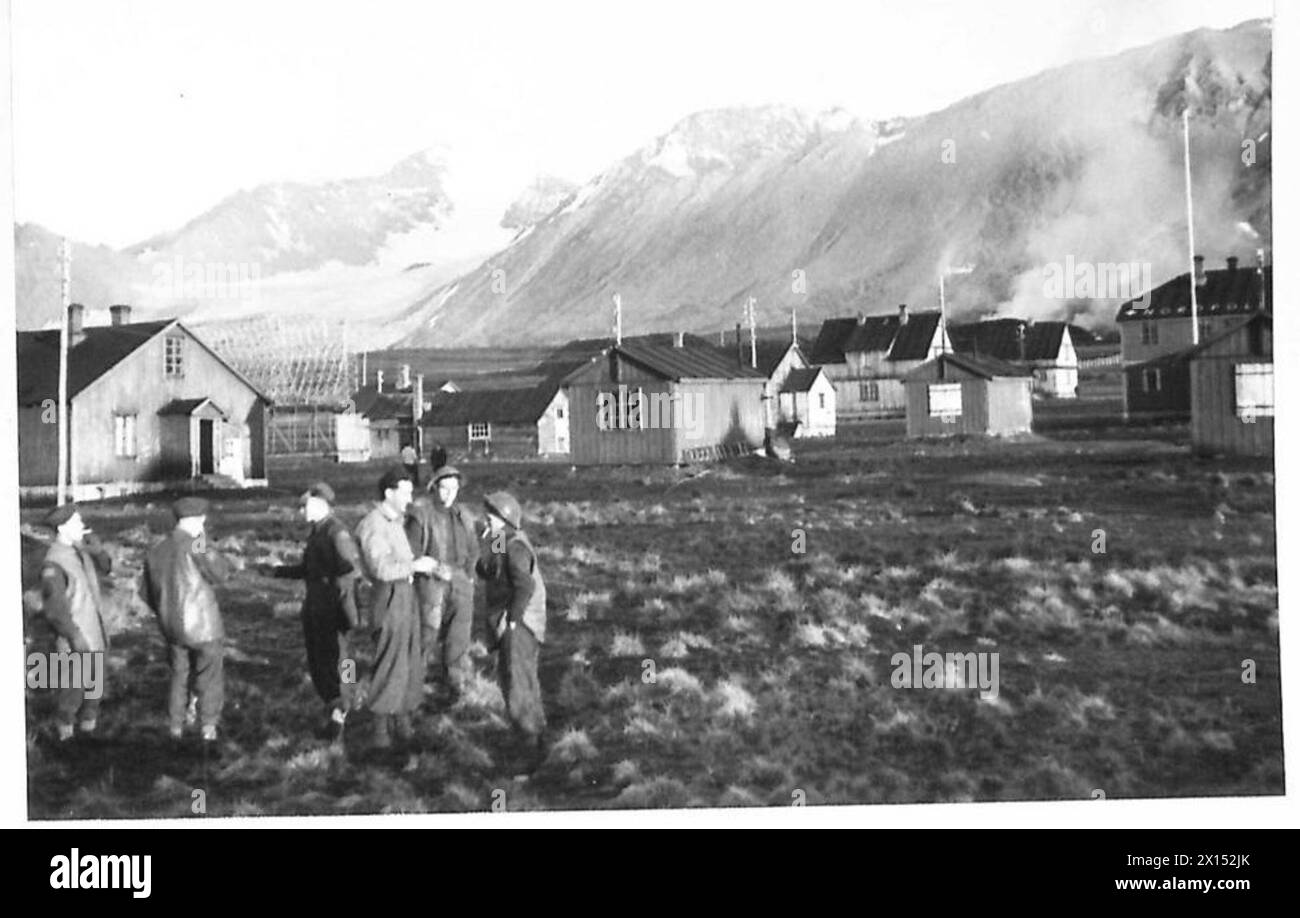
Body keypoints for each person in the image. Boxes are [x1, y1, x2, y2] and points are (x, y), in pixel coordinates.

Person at [263, 482, 363, 741]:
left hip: (332, 610)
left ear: (321, 504)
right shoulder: (319, 531)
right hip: (317, 609)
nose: (302, 511)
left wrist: (347, 611)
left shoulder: (336, 533)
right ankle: (338, 706)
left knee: (343, 661)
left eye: (306, 505)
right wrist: (278, 570)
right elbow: (311, 569)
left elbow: (350, 572)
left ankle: (345, 705)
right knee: (322, 663)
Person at [355, 467, 437, 749]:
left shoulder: (395, 522)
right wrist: (416, 565)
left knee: (408, 660)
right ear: (388, 493)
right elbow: (381, 569)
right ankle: (380, 733)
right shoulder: (374, 525)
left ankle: (402, 720)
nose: (409, 498)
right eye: (405, 492)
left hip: (406, 596)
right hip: (389, 599)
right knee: (389, 661)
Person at [140, 496, 233, 746]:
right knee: (209, 676)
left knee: (178, 676)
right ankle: (208, 727)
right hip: (203, 627)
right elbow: (221, 573)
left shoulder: (156, 551)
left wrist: (165, 613)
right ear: (198, 520)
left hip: (172, 628)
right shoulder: (197, 545)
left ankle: (175, 727)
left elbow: (145, 593)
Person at [475, 491, 548, 770]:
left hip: (520, 626)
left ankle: (527, 752)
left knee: (516, 682)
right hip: (516, 623)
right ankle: (537, 739)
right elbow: (490, 569)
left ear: (504, 518)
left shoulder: (514, 546)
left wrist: (514, 620)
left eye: (491, 516)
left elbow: (524, 586)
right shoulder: (499, 540)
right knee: (525, 680)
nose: (486, 520)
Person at [35, 503, 112, 742]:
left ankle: (89, 729)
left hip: (93, 631)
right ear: (63, 528)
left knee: (94, 686)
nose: (83, 526)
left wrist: (98, 551)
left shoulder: (80, 550)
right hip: (76, 636)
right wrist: (73, 635)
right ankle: (65, 734)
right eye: (77, 523)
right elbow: (55, 608)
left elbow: (106, 568)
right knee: (74, 687)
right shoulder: (54, 563)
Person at [406, 465, 479, 703]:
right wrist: (433, 568)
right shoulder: (420, 517)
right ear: (434, 488)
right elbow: (411, 553)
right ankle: (413, 688)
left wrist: (468, 576)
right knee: (426, 638)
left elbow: (474, 550)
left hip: (460, 584)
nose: (449, 494)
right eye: (444, 488)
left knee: (458, 638)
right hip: (431, 586)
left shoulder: (465, 516)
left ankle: (454, 687)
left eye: (454, 488)